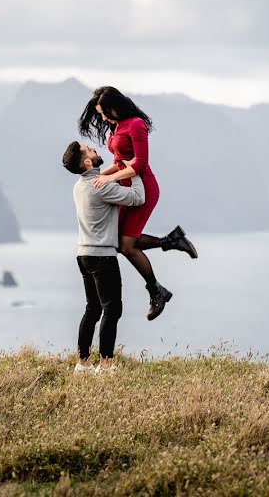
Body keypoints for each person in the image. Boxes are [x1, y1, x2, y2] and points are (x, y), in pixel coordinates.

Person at [78, 86, 198, 322]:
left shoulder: (136, 125)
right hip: (125, 187)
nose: (102, 118)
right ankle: (171, 241)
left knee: (126, 246)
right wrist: (98, 176)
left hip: (143, 189)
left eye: (104, 113)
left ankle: (157, 291)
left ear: (114, 106)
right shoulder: (116, 128)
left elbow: (140, 164)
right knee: (118, 241)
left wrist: (109, 178)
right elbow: (120, 162)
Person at [62, 140, 146, 374]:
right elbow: (138, 197)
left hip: (84, 255)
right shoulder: (100, 186)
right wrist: (134, 170)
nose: (95, 150)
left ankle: (83, 362)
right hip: (102, 257)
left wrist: (115, 171)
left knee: (93, 309)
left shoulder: (80, 185)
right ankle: (106, 364)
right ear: (87, 162)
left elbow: (106, 179)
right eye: (91, 151)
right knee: (112, 309)